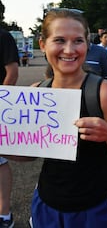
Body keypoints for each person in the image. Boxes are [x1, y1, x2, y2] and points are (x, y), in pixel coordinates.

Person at [8, 9, 107, 227]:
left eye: (78, 41)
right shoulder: (37, 92)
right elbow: (31, 154)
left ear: (87, 45)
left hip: (96, 204)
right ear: (43, 44)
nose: (69, 50)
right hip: (47, 201)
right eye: (59, 40)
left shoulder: (104, 92)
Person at [0, 28, 19, 228]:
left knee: (0, 159)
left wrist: (2, 102)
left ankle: (4, 213)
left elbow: (12, 72)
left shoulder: (3, 36)